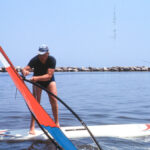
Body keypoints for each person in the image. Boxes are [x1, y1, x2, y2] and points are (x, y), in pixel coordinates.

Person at [22, 44, 59, 135]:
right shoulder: (35, 59)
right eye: (39, 54)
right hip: (37, 82)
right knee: (35, 103)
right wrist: (25, 72)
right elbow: (25, 69)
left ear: (48, 53)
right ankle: (32, 127)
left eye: (43, 54)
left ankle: (57, 123)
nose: (41, 56)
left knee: (54, 100)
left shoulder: (52, 60)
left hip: (48, 81)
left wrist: (36, 78)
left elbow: (49, 76)